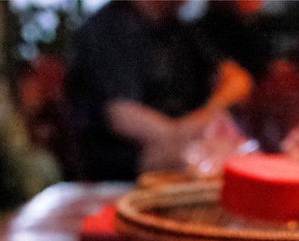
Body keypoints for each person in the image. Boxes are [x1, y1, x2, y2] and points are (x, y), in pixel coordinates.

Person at [65, 0, 253, 180]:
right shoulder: (106, 30)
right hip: (123, 166)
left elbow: (238, 79)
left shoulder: (180, 30)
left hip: (185, 145)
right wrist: (190, 136)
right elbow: (122, 117)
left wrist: (210, 111)